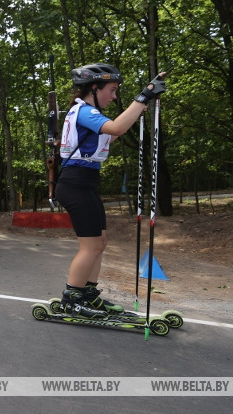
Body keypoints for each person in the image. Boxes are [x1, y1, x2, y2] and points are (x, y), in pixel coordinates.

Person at [54, 64, 166, 318]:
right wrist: (142, 98)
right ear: (94, 87)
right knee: (91, 245)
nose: (114, 96)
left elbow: (109, 136)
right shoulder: (84, 111)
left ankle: (87, 294)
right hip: (76, 183)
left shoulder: (87, 114)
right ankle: (71, 299)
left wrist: (137, 110)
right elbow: (116, 128)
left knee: (99, 243)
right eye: (112, 90)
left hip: (86, 182)